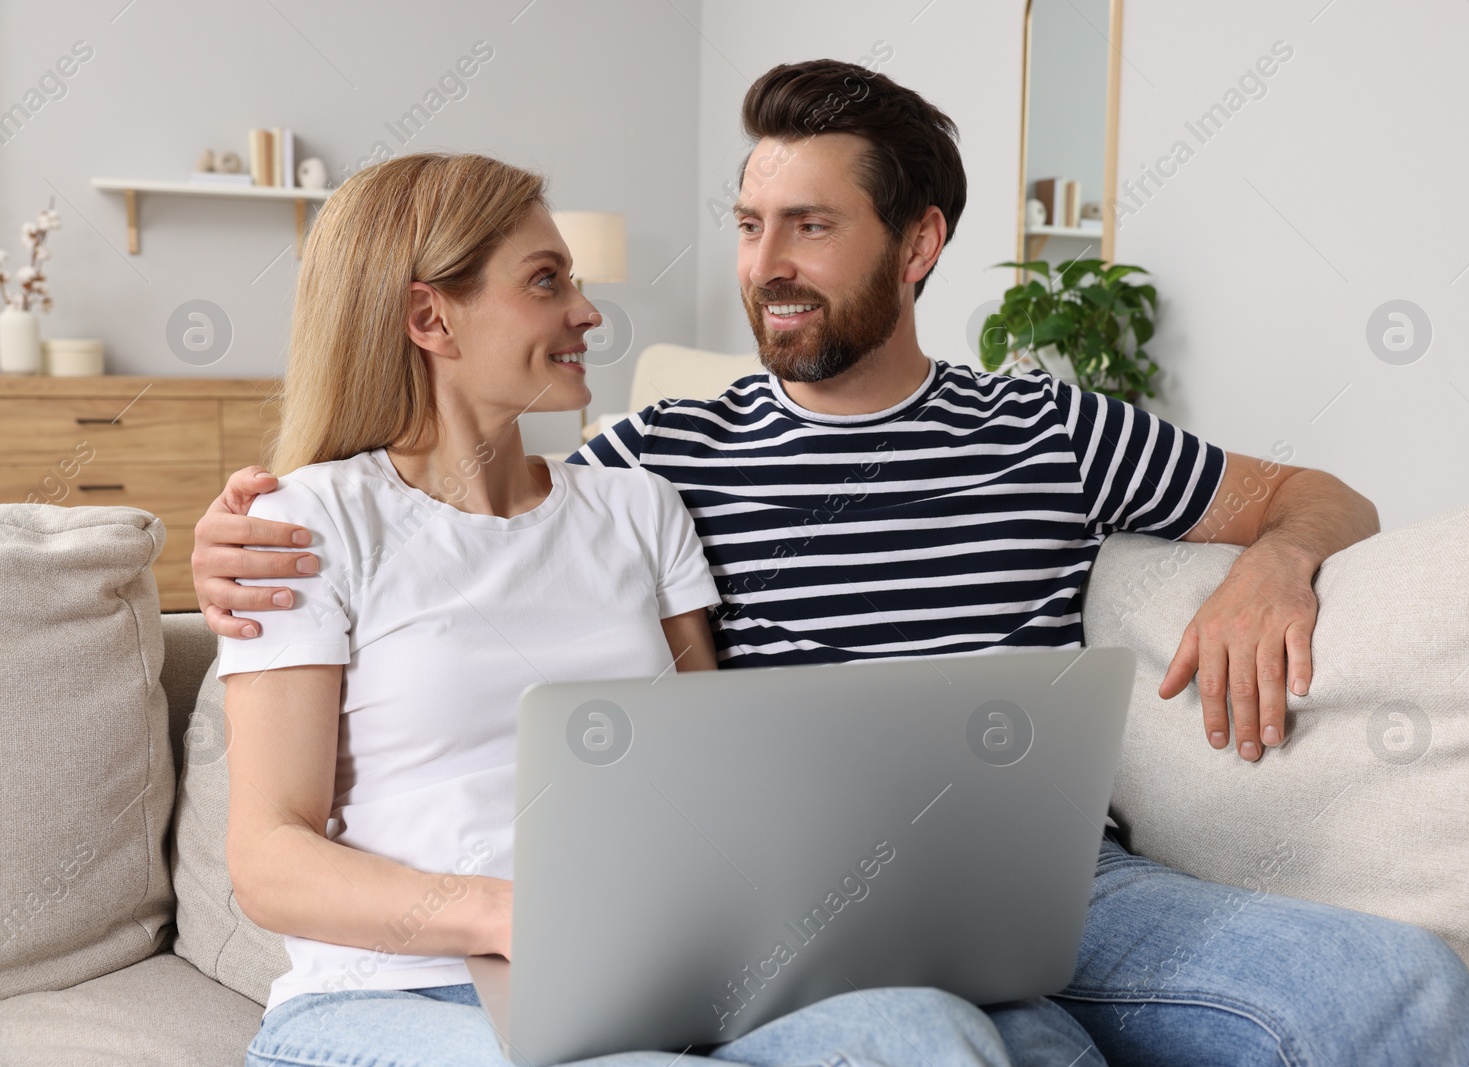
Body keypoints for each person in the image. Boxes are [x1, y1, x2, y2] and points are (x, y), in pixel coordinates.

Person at [195, 61, 1469, 1067]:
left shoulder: (1045, 424)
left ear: (919, 243)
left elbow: (1317, 494)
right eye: (749, 223)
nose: (764, 266)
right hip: (789, 906)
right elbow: (445, 538)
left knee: (1402, 987)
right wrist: (239, 545)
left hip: (1043, 880)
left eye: (810, 228)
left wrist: (1278, 562)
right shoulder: (657, 459)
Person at [217, 149, 1025, 1067]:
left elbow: (710, 770)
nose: (588, 311)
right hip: (393, 995)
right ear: (428, 315)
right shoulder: (306, 522)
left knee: (932, 1031)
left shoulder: (638, 507)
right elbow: (267, 857)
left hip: (642, 977)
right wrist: (505, 912)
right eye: (547, 280)